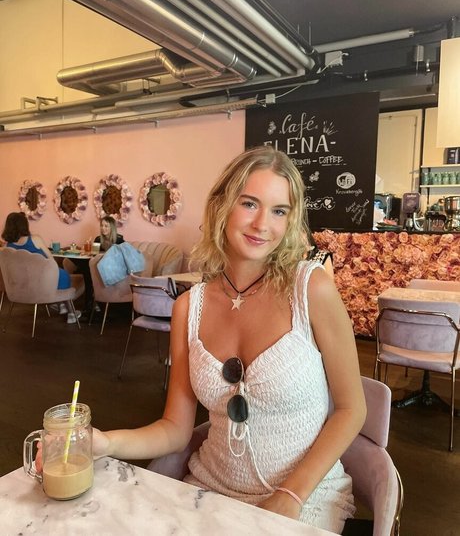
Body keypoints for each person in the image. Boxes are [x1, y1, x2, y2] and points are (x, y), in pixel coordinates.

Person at [68, 147, 367, 532]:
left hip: (305, 496)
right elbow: (175, 429)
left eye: (279, 210)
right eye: (249, 203)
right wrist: (107, 443)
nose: (263, 224)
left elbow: (351, 409)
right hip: (211, 490)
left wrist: (291, 495)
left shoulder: (311, 289)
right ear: (221, 206)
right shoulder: (188, 308)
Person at [1, 212, 80, 323]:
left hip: (21, 286)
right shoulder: (35, 239)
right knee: (62, 274)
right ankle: (70, 312)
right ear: (24, 225)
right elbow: (51, 260)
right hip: (42, 282)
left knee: (57, 275)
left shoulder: (6, 248)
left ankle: (61, 305)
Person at [66, 215, 124, 317]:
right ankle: (89, 304)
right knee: (85, 268)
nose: (103, 228)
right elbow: (93, 255)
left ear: (112, 228)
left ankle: (88, 305)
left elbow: (121, 257)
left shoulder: (119, 240)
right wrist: (86, 252)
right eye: (102, 225)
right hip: (96, 266)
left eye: (106, 226)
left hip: (110, 268)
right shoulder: (98, 239)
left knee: (87, 271)